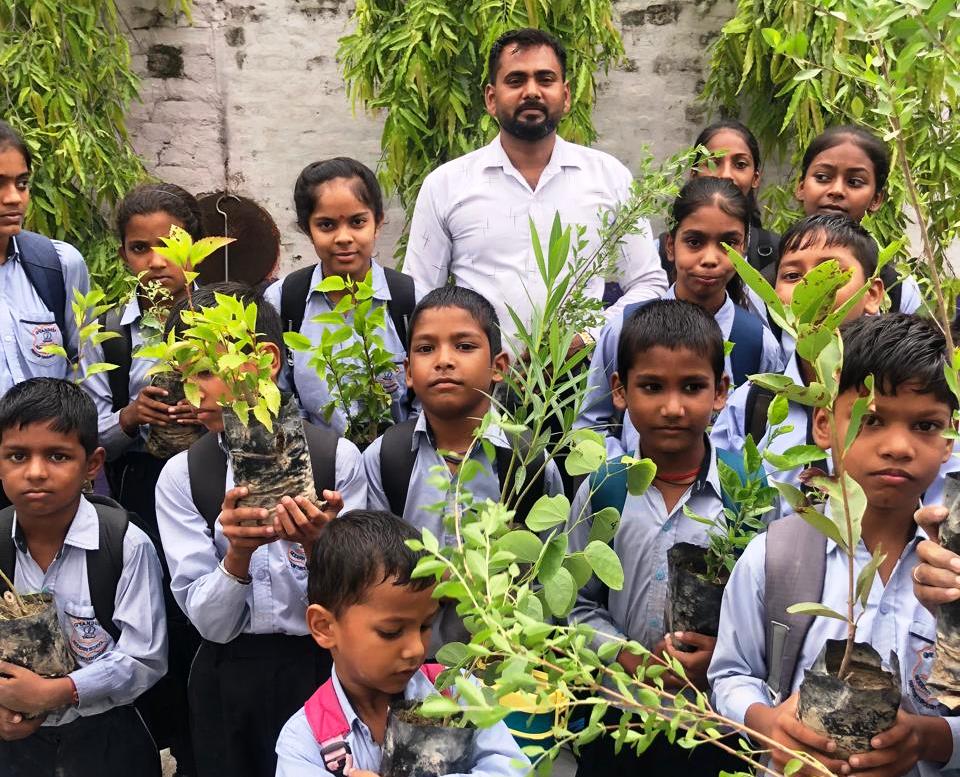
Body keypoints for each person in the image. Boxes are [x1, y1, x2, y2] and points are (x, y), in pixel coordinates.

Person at [709, 312, 960, 777]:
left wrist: (930, 738)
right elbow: (730, 674)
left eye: (926, 426)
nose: (898, 446)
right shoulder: (774, 557)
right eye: (871, 419)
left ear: (950, 439)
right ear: (823, 425)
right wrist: (768, 724)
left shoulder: (952, 573)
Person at [154, 283, 367, 777]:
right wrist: (237, 557)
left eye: (207, 371)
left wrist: (321, 547)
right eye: (184, 375)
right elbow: (211, 626)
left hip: (323, 671)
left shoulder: (336, 460)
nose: (192, 392)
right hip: (228, 679)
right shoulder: (184, 476)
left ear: (267, 360)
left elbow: (359, 600)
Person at [403, 27, 666, 351]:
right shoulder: (446, 185)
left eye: (545, 79)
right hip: (480, 378)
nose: (531, 92)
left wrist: (586, 339)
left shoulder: (608, 178)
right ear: (491, 98)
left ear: (566, 96)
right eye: (516, 81)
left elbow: (648, 285)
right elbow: (419, 296)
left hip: (582, 373)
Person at [567, 299, 744, 777]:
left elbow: (767, 614)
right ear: (619, 390)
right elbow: (576, 604)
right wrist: (627, 655)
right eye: (651, 387)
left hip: (716, 726)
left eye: (692, 387)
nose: (672, 407)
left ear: (720, 392)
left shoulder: (748, 495)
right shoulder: (603, 490)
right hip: (616, 718)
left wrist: (723, 658)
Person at [82, 181, 205, 776]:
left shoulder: (225, 316)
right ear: (123, 254)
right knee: (151, 611)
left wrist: (212, 414)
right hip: (140, 491)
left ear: (196, 246)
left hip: (208, 490)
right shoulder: (110, 328)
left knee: (204, 609)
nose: (156, 262)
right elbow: (88, 434)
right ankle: (162, 738)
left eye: (170, 245)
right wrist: (130, 418)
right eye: (139, 248)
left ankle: (204, 741)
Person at [362, 285, 564, 647]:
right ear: (408, 372)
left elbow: (548, 580)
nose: (444, 360)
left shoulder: (529, 462)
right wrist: (438, 581)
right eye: (426, 348)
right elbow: (371, 571)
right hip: (408, 662)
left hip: (505, 661)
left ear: (498, 367)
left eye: (465, 346)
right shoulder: (385, 458)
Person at [274, 509, 530, 777]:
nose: (417, 649)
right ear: (324, 627)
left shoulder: (457, 691)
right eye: (391, 631)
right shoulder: (305, 743)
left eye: (425, 626)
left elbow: (514, 769)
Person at [0, 378, 167, 777]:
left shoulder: (124, 544)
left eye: (57, 456)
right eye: (17, 456)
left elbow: (144, 658)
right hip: (16, 745)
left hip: (106, 738)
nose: (35, 472)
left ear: (92, 464)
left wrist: (57, 692)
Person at [578, 177, 783, 456]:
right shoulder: (624, 328)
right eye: (694, 242)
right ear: (670, 247)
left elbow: (767, 436)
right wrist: (622, 471)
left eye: (728, 243)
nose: (710, 258)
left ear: (744, 248)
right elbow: (590, 424)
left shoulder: (757, 342)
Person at [711, 214, 884, 494]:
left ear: (872, 293)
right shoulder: (751, 404)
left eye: (830, 273)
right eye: (792, 276)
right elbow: (720, 498)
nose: (810, 287)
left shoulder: (902, 399)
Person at [264, 158, 427, 435]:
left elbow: (426, 400)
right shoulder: (284, 300)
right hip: (318, 456)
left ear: (378, 222)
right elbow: (279, 396)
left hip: (397, 454)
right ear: (307, 229)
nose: (343, 237)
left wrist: (396, 448)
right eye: (326, 225)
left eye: (357, 222)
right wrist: (326, 451)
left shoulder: (410, 301)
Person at [0, 120, 91, 507]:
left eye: (21, 183)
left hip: (47, 485)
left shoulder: (57, 265)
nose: (14, 199)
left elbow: (83, 374)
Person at [795, 124, 921, 314]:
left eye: (854, 182)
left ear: (876, 199)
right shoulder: (766, 278)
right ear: (801, 187)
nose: (836, 190)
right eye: (822, 177)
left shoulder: (899, 288)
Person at [657, 119, 777, 278]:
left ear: (755, 178)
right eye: (713, 163)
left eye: (740, 164)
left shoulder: (774, 253)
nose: (726, 175)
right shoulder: (654, 257)